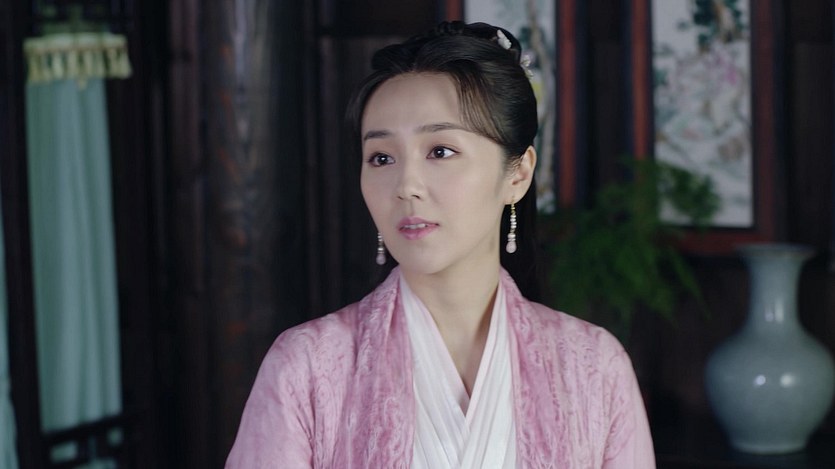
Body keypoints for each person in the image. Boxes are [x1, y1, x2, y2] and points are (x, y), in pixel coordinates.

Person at [226, 21, 655, 468]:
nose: (406, 186)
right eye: (381, 158)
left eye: (440, 151)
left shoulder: (593, 367)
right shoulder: (308, 367)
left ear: (518, 174)